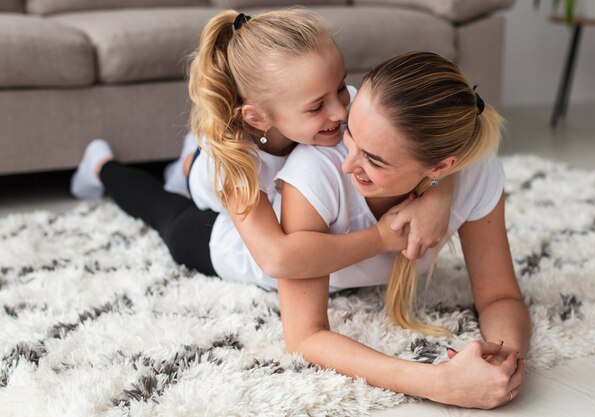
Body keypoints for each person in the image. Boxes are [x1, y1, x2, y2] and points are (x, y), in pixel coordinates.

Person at [70, 9, 454, 286]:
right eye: (317, 105)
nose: (342, 109)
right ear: (258, 118)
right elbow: (275, 256)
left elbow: (443, 137)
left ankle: (192, 153)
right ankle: (105, 164)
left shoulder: (341, 107)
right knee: (174, 200)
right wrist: (382, 238)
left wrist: (438, 192)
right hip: (213, 178)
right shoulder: (237, 164)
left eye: (340, 86)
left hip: (262, 156)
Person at [274, 52, 531, 409]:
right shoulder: (315, 171)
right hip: (229, 251)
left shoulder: (475, 174)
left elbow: (500, 296)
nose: (348, 163)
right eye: (350, 131)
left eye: (374, 160)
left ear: (442, 166)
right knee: (183, 201)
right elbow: (304, 337)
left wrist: (506, 359)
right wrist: (437, 382)